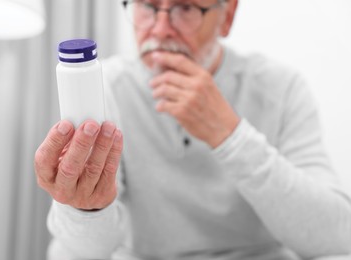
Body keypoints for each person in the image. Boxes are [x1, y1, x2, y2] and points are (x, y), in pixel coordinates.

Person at [34, 0, 351, 259]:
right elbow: (76, 253)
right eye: (146, 6)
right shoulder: (107, 87)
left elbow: (338, 236)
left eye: (185, 8)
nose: (159, 29)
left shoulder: (280, 87)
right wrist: (85, 207)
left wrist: (229, 134)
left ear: (227, 16)